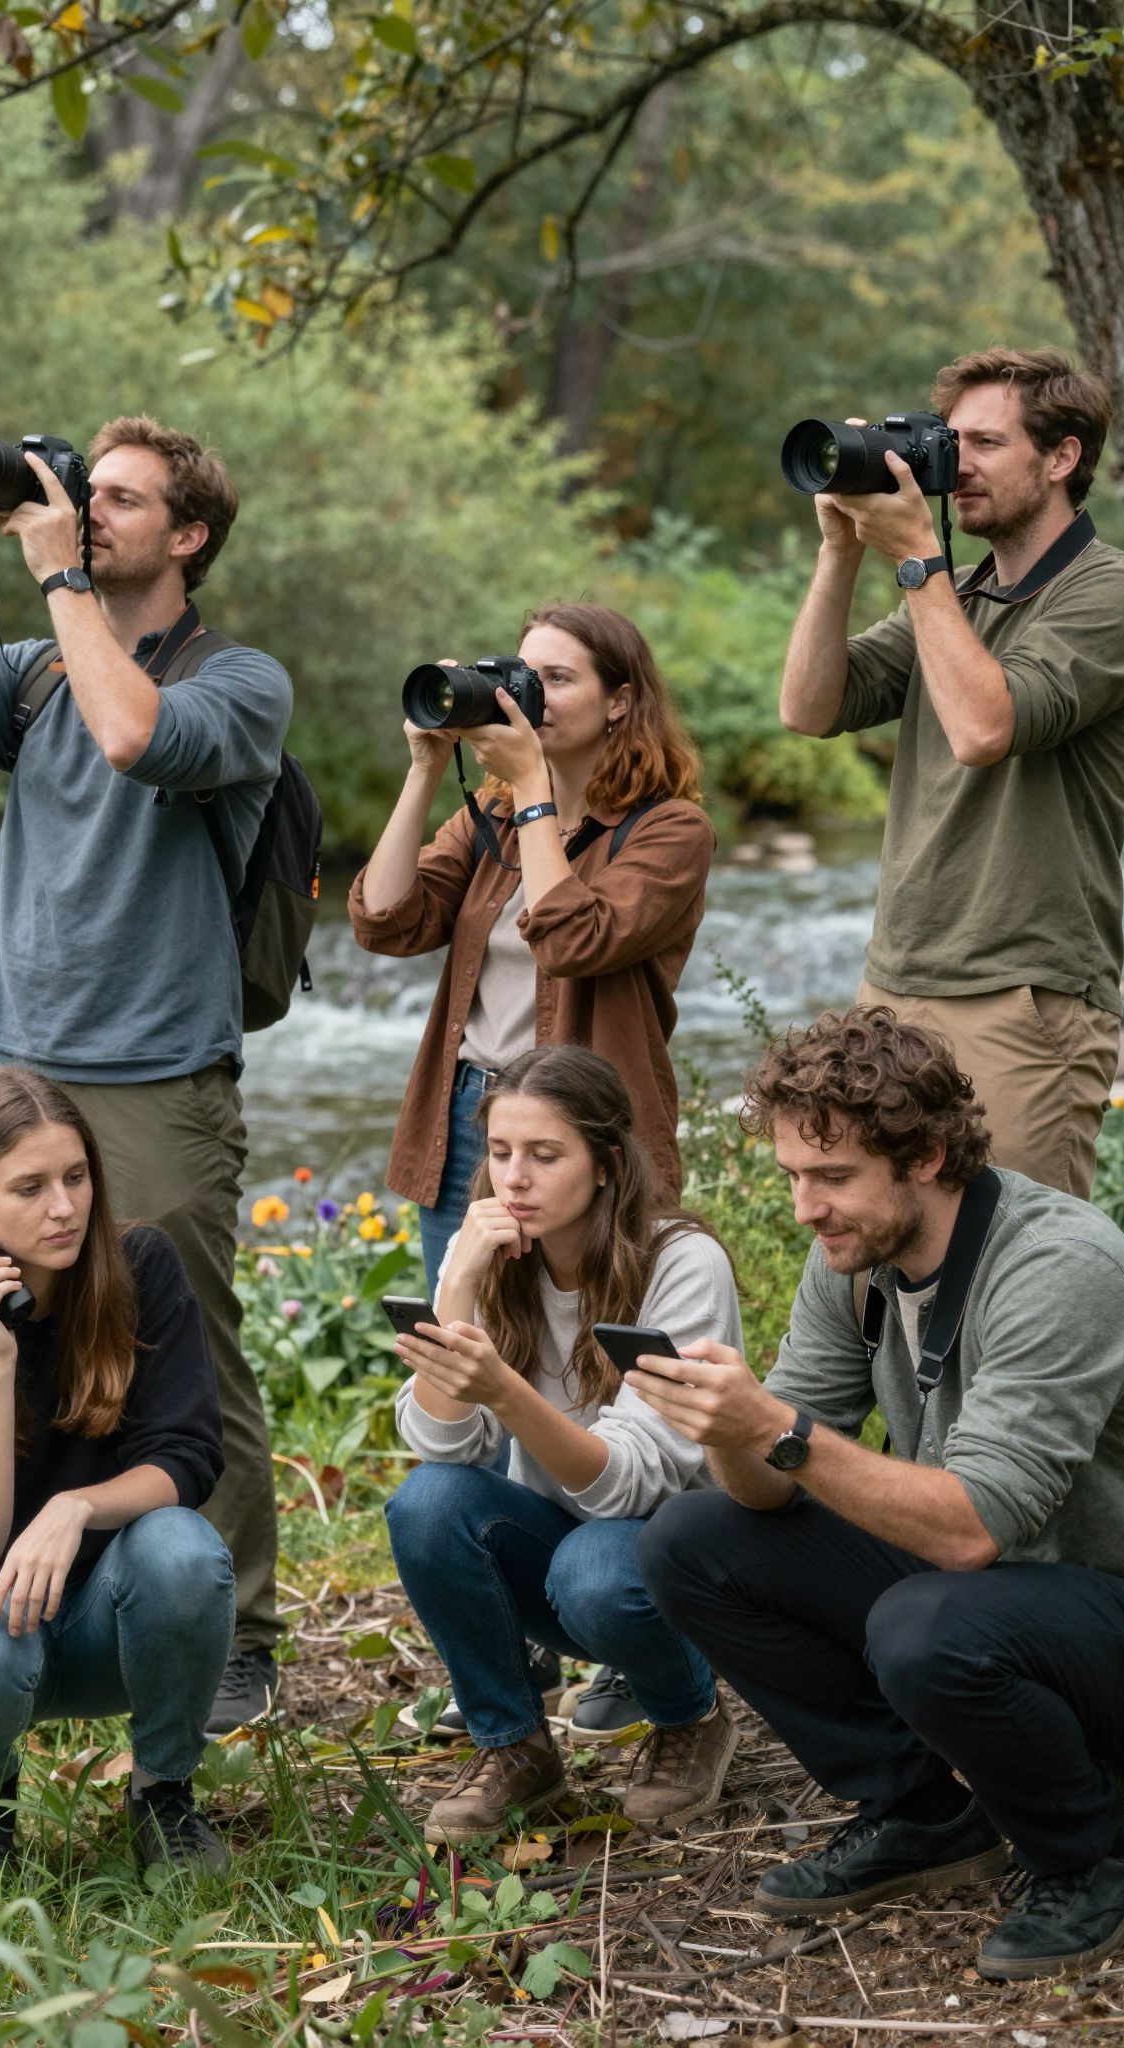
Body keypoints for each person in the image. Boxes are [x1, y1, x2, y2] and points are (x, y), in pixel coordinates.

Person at [630, 1007, 1124, 1981]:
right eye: (794, 1174)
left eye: (832, 1177)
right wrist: (729, 1431)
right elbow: (767, 1493)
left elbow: (968, 1530)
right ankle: (924, 1810)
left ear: (926, 1155)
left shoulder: (1056, 1266)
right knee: (692, 1537)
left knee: (925, 1621)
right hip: (1003, 1591)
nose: (805, 1206)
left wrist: (775, 1427)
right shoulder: (851, 1258)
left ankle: (1095, 1859)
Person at [0, 415, 288, 1732]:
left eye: (124, 502)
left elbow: (134, 736)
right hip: (14, 1060)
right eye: (83, 496)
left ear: (189, 535)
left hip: (155, 1069)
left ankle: (235, 1631)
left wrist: (56, 580)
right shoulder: (38, 669)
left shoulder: (240, 681)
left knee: (186, 1339)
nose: (89, 515)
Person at [352, 604, 713, 1741]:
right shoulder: (495, 812)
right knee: (478, 1354)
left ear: (619, 698)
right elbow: (380, 916)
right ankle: (506, 1670)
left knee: (605, 1376)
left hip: (595, 1137)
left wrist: (540, 799)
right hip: (472, 1118)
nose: (528, 695)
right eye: (520, 673)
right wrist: (426, 772)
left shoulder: (669, 829)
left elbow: (573, 936)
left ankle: (626, 1623)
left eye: (554, 678)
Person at [779, 349, 1124, 1198]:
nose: (957, 466)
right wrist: (841, 550)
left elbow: (983, 727)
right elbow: (809, 709)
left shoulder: (1118, 594)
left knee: (1018, 1274)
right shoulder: (958, 594)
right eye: (949, 443)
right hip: (894, 982)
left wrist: (921, 560)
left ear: (1062, 456)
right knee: (881, 1260)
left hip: (1022, 1000)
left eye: (987, 443)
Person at [0, 1066, 236, 1898]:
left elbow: (189, 1456)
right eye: (29, 1188)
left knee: (182, 1550)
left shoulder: (141, 1266)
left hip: (110, 1623)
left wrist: (77, 1507)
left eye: (76, 1177)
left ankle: (164, 1793)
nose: (64, 1207)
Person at [385, 1046, 743, 1842]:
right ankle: (513, 1746)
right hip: (558, 1553)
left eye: (546, 1156)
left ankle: (691, 1717)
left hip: (666, 1562)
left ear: (607, 1164)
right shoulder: (495, 1260)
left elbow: (630, 1486)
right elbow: (440, 1444)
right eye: (502, 1154)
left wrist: (504, 1390)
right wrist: (457, 1289)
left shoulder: (679, 1262)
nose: (514, 1179)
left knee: (594, 1572)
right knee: (425, 1504)